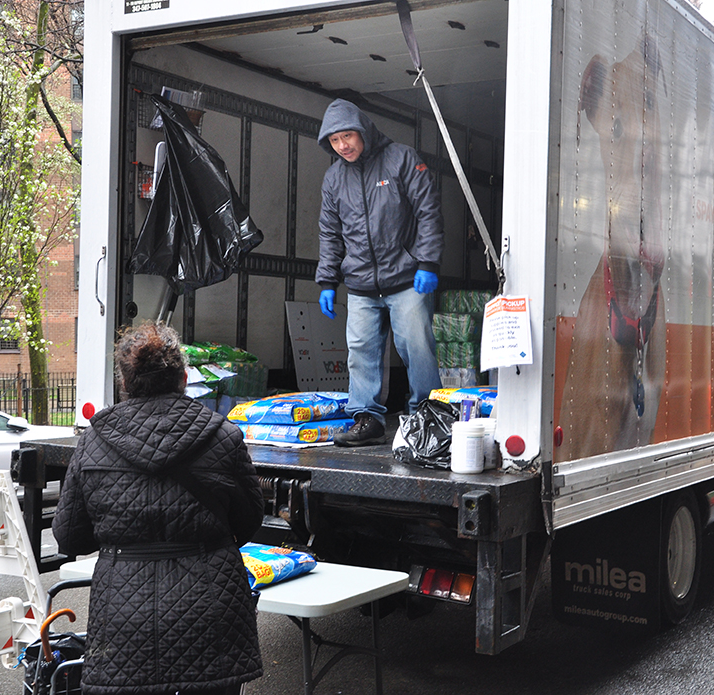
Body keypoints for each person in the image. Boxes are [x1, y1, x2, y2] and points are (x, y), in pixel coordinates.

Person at [52, 322, 264, 695]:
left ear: (125, 382)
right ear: (184, 378)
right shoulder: (223, 436)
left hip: (123, 614)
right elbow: (248, 522)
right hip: (211, 609)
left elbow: (70, 535)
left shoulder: (92, 444)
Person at [316, 98, 444, 447]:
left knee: (417, 346)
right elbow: (330, 233)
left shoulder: (401, 158)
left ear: (362, 130)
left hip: (406, 278)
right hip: (360, 285)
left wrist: (428, 262)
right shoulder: (333, 179)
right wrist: (328, 281)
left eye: (347, 136)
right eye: (335, 140)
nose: (343, 146)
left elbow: (428, 212)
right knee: (359, 351)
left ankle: (426, 416)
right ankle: (366, 419)